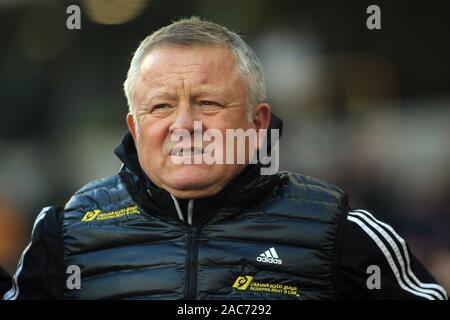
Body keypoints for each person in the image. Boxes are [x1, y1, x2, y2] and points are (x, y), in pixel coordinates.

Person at [3, 17, 447, 300]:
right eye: (160, 107)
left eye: (208, 103)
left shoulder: (342, 232)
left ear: (257, 123)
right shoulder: (63, 237)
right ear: (135, 129)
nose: (184, 124)